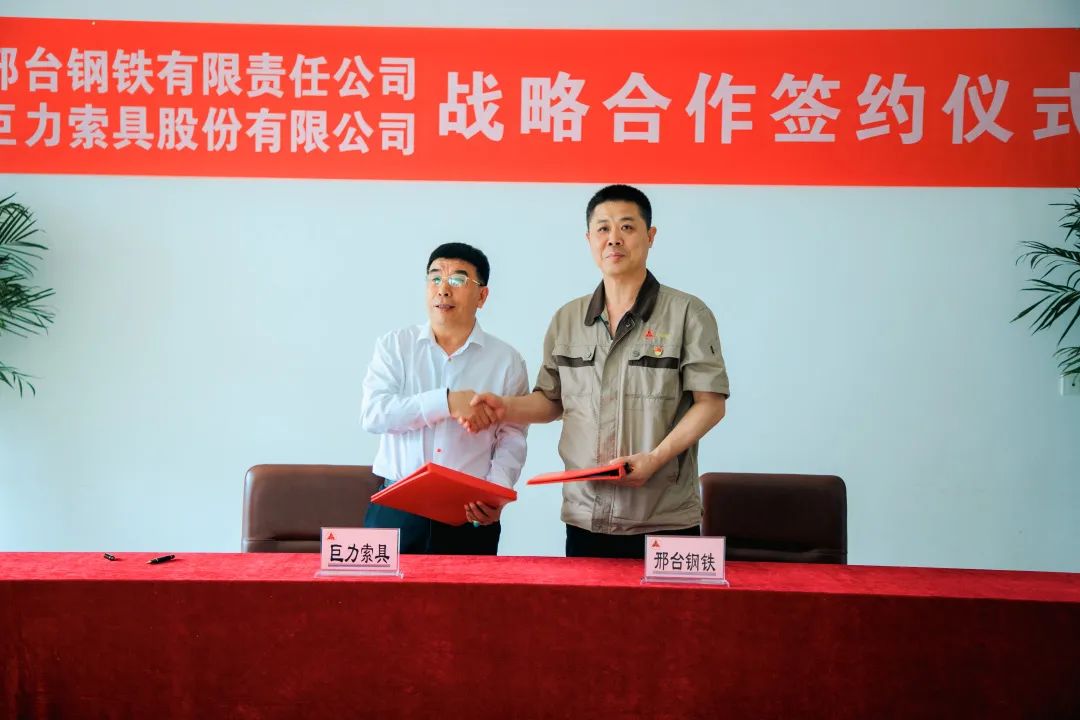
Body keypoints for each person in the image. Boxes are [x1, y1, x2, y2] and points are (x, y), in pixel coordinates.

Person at [468, 185, 729, 559]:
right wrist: (504, 407)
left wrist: (655, 459)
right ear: (589, 239)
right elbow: (551, 401)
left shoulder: (688, 313)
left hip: (664, 517)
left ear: (650, 236)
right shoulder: (568, 319)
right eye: (603, 228)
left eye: (627, 227)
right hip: (586, 516)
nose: (614, 239)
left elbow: (711, 404)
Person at [360, 242, 528, 555]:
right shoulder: (395, 346)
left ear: (482, 296)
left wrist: (495, 493)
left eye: (458, 280)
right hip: (396, 507)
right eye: (435, 278)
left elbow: (512, 437)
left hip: (469, 513)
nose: (443, 289)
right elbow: (374, 414)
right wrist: (447, 402)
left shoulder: (507, 361)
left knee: (469, 591)